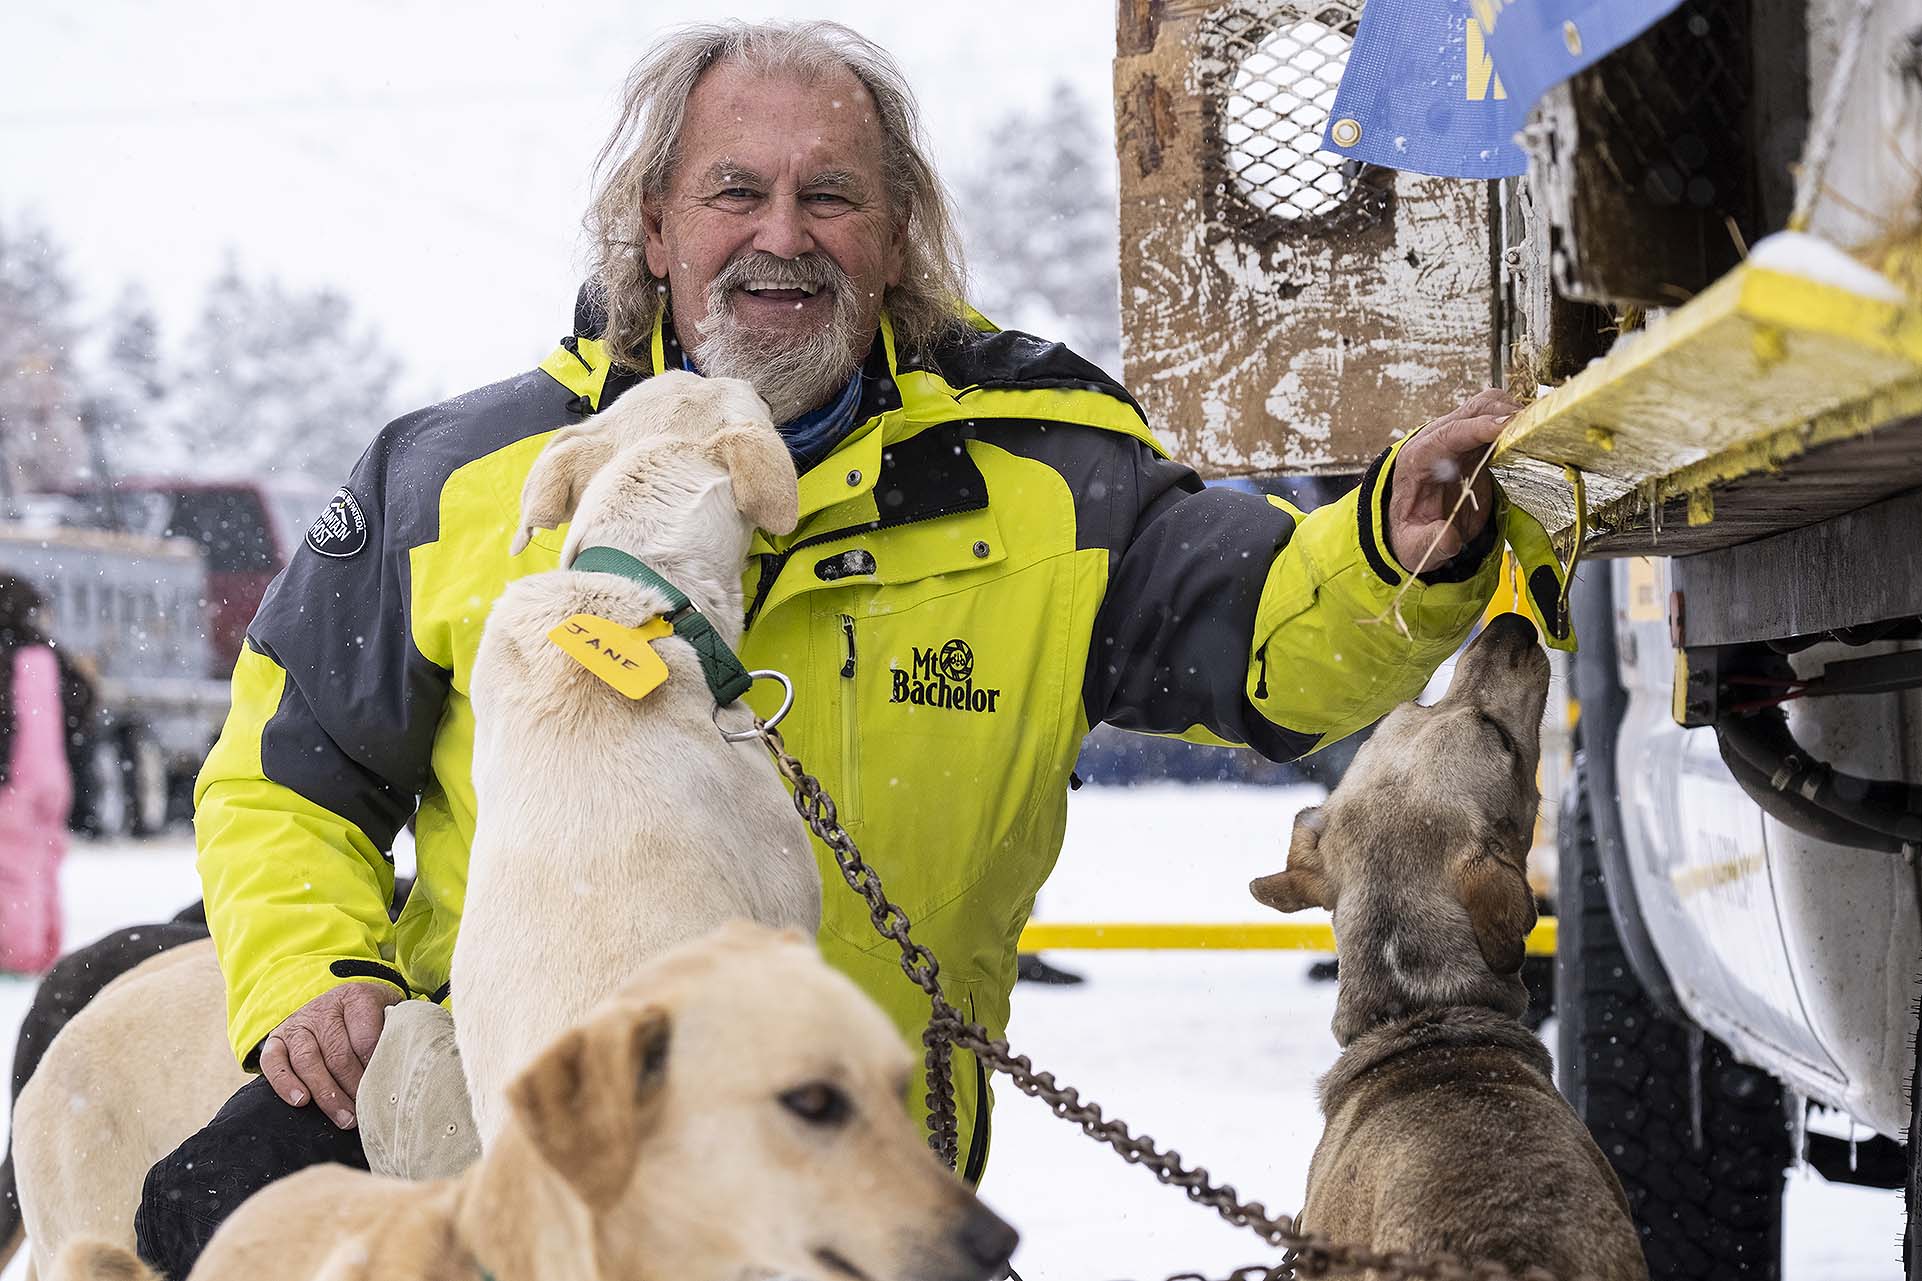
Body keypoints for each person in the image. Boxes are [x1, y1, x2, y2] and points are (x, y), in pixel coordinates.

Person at [140, 19, 1522, 1275]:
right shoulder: (461, 478)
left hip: (864, 1215)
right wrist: (319, 972)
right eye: (735, 191)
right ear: (655, 228)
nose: (781, 235)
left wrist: (1392, 546)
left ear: (899, 229)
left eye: (832, 194)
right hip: (525, 1214)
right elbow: (283, 778)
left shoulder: (1044, 468)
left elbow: (1276, 645)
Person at [0, 575, 75, 974]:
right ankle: (46, 944)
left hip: (14, 778)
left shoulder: (5, 653)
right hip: (52, 775)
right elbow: (83, 700)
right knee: (44, 858)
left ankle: (18, 954)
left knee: (11, 869)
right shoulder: (45, 653)